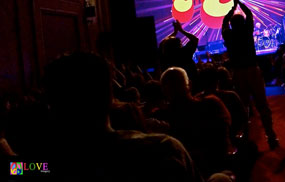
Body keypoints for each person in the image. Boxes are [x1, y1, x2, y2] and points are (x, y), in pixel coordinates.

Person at [43, 52, 196, 180]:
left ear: (52, 104)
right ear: (110, 98)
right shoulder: (164, 150)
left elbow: (21, 169)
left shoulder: (43, 165)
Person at [222, 0, 279, 149]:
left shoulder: (229, 35)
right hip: (253, 70)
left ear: (232, 25)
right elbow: (249, 14)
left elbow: (225, 22)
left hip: (238, 73)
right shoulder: (247, 31)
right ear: (243, 23)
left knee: (243, 106)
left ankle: (246, 138)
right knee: (262, 105)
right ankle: (271, 136)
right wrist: (238, 1)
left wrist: (232, 7)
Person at [159, 19, 200, 93]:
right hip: (192, 84)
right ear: (179, 45)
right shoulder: (184, 53)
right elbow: (195, 39)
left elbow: (161, 44)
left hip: (172, 89)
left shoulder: (165, 56)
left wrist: (174, 32)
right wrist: (181, 30)